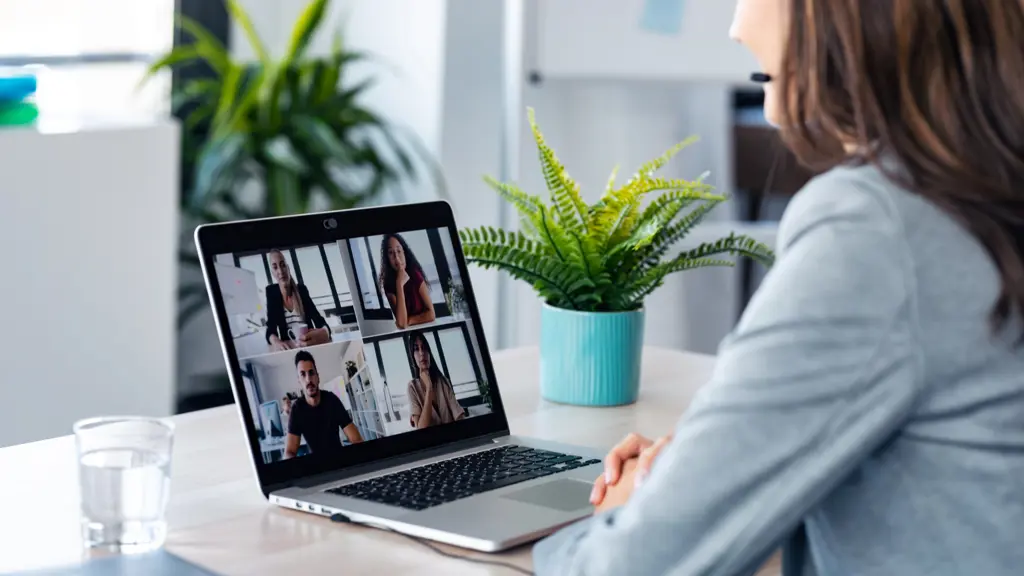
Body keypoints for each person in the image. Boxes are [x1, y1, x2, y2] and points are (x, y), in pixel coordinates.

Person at [534, 1, 1024, 575]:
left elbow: (631, 567)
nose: (734, 22)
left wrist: (618, 517)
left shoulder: (879, 227)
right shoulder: (986, 189)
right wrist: (715, 468)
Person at [284, 350, 362, 458]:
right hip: (316, 467)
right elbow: (290, 451)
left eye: (311, 373)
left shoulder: (332, 400)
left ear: (318, 377)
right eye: (303, 374)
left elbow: (356, 439)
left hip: (339, 461)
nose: (308, 379)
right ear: (299, 381)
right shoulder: (297, 409)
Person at [265, 249, 331, 352]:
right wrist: (276, 341)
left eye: (283, 265)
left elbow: (320, 321)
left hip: (308, 347)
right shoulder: (271, 293)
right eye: (275, 267)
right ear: (272, 272)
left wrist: (325, 332)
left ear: (288, 267)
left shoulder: (301, 290)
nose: (280, 271)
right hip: (289, 351)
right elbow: (270, 330)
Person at [405, 330, 465, 429]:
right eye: (416, 348)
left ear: (429, 353)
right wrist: (429, 388)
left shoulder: (443, 382)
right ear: (412, 356)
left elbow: (458, 414)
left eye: (424, 348)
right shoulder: (412, 387)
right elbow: (420, 429)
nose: (421, 353)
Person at [379, 234, 436, 329]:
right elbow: (401, 324)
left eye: (399, 251)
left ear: (404, 252)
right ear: (387, 258)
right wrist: (399, 284)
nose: (396, 258)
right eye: (390, 253)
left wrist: (410, 320)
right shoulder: (388, 284)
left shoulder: (415, 274)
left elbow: (431, 314)